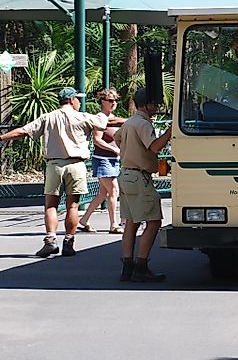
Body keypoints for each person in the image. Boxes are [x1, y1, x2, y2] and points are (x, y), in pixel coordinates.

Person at [0, 87, 107, 258]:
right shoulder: (83, 117)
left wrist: (1, 137)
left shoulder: (48, 117)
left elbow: (23, 131)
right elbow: (105, 123)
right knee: (73, 205)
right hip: (76, 164)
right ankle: (69, 242)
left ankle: (50, 240)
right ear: (71, 100)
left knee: (51, 204)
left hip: (54, 165)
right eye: (78, 99)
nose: (79, 102)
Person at [115, 88, 172, 282]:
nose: (157, 107)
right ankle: (141, 265)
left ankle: (127, 266)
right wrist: (171, 131)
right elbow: (155, 146)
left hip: (126, 174)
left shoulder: (130, 122)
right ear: (147, 105)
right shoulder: (143, 124)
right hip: (140, 176)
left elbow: (116, 138)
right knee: (154, 221)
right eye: (155, 104)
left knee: (132, 222)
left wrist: (130, 152)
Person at [78, 88, 127, 234]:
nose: (114, 103)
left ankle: (84, 219)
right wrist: (114, 150)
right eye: (110, 100)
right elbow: (97, 139)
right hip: (103, 159)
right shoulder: (99, 117)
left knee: (103, 193)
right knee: (114, 191)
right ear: (102, 101)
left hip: (113, 160)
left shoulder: (112, 117)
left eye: (116, 100)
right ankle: (113, 225)